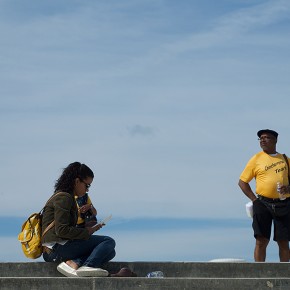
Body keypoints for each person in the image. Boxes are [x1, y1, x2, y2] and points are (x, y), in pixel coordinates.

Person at [41, 162, 116, 277]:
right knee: (108, 241)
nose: (87, 190)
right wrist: (87, 232)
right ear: (77, 181)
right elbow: (62, 230)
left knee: (110, 251)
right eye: (87, 185)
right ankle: (88, 266)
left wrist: (89, 230)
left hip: (57, 249)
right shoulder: (64, 197)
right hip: (55, 250)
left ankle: (75, 263)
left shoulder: (63, 196)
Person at [238, 129, 290, 262]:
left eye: (267, 137)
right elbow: (242, 182)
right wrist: (254, 200)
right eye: (261, 138)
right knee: (261, 240)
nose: (263, 140)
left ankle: (285, 274)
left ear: (275, 140)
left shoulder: (285, 159)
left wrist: (288, 187)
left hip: (283, 204)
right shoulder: (256, 159)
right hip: (262, 203)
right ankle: (259, 273)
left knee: (283, 241)